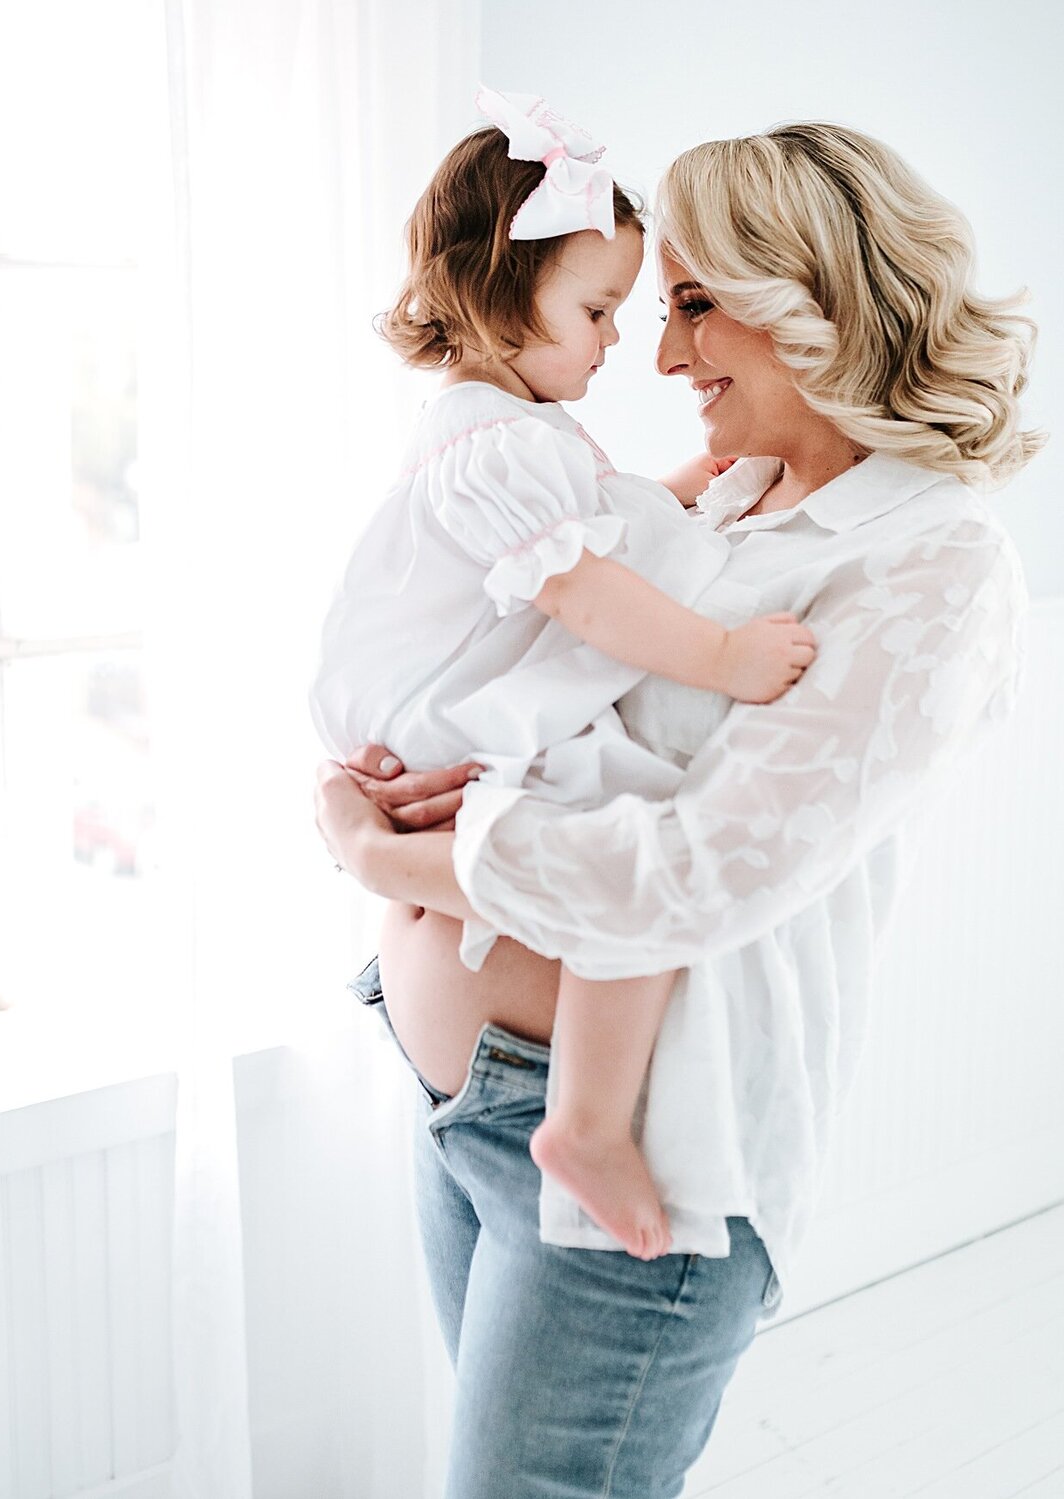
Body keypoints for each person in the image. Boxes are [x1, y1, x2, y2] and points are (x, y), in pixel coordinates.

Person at [315, 120, 1041, 1499]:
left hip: (638, 1157)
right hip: (466, 1103)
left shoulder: (936, 567)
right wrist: (401, 773)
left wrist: (387, 845)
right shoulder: (732, 508)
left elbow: (686, 875)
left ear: (814, 296)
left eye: (695, 307)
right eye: (648, 310)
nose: (657, 359)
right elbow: (551, 695)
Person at [311, 86, 816, 1259]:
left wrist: (708, 469)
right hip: (432, 711)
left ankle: (582, 1118)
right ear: (499, 286)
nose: (619, 343)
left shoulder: (504, 435)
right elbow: (588, 588)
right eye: (597, 309)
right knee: (625, 827)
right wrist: (727, 657)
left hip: (434, 713)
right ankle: (586, 1122)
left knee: (615, 831)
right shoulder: (496, 442)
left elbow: (619, 522)